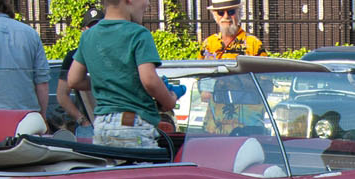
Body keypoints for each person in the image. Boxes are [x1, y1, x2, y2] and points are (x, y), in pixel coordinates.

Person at [67, 0, 178, 149]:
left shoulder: (88, 36)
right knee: (143, 171)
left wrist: (107, 80)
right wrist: (169, 100)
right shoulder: (138, 34)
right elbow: (149, 80)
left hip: (101, 124)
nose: (148, 3)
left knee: (112, 172)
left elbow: (73, 80)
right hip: (133, 124)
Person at [54, 7, 103, 136]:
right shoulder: (73, 57)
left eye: (98, 26)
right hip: (88, 125)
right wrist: (82, 119)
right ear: (83, 30)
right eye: (90, 27)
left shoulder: (113, 53)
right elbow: (62, 95)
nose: (94, 31)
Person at [201, 0, 265, 60]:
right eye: (221, 12)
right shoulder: (208, 44)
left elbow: (264, 70)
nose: (226, 16)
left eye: (231, 12)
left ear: (239, 14)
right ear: (215, 16)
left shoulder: (254, 44)